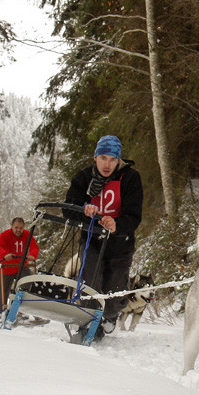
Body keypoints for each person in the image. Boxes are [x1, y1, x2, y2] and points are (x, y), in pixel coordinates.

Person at [63, 134, 143, 339]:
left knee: (114, 291)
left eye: (112, 159)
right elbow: (68, 210)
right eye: (103, 158)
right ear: (95, 158)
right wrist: (84, 210)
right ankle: (89, 322)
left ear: (119, 160)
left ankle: (109, 315)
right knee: (91, 281)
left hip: (120, 244)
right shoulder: (83, 178)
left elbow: (134, 216)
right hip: (92, 240)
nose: (107, 164)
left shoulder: (130, 178)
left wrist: (117, 224)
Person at [0, 217, 40, 313]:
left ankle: (19, 310)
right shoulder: (5, 235)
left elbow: (34, 247)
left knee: (26, 286)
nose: (18, 230)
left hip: (21, 266)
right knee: (2, 291)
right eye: (16, 228)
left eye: (21, 228)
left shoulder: (27, 235)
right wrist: (5, 254)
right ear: (12, 227)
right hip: (6, 268)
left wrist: (32, 255)